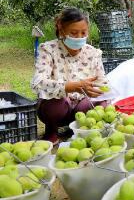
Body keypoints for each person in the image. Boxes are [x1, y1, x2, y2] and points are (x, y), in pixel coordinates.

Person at [31, 8, 109, 142]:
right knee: (55, 104)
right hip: (59, 107)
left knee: (102, 103)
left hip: (82, 106)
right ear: (61, 30)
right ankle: (52, 129)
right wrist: (70, 87)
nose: (79, 37)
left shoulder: (93, 53)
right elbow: (38, 83)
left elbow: (102, 83)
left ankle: (81, 129)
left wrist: (97, 90)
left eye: (83, 33)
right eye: (73, 33)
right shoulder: (48, 50)